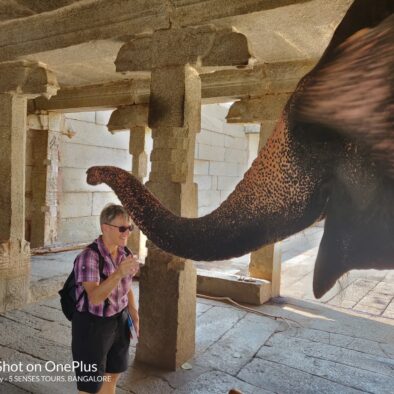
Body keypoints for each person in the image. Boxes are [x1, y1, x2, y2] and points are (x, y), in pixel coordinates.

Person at [71, 204, 140, 394]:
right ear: (105, 227)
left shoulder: (124, 253)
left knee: (112, 375)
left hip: (119, 320)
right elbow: (94, 297)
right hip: (93, 325)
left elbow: (127, 288)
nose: (127, 232)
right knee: (90, 385)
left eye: (130, 228)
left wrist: (134, 313)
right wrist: (119, 273)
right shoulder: (88, 257)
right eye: (122, 228)